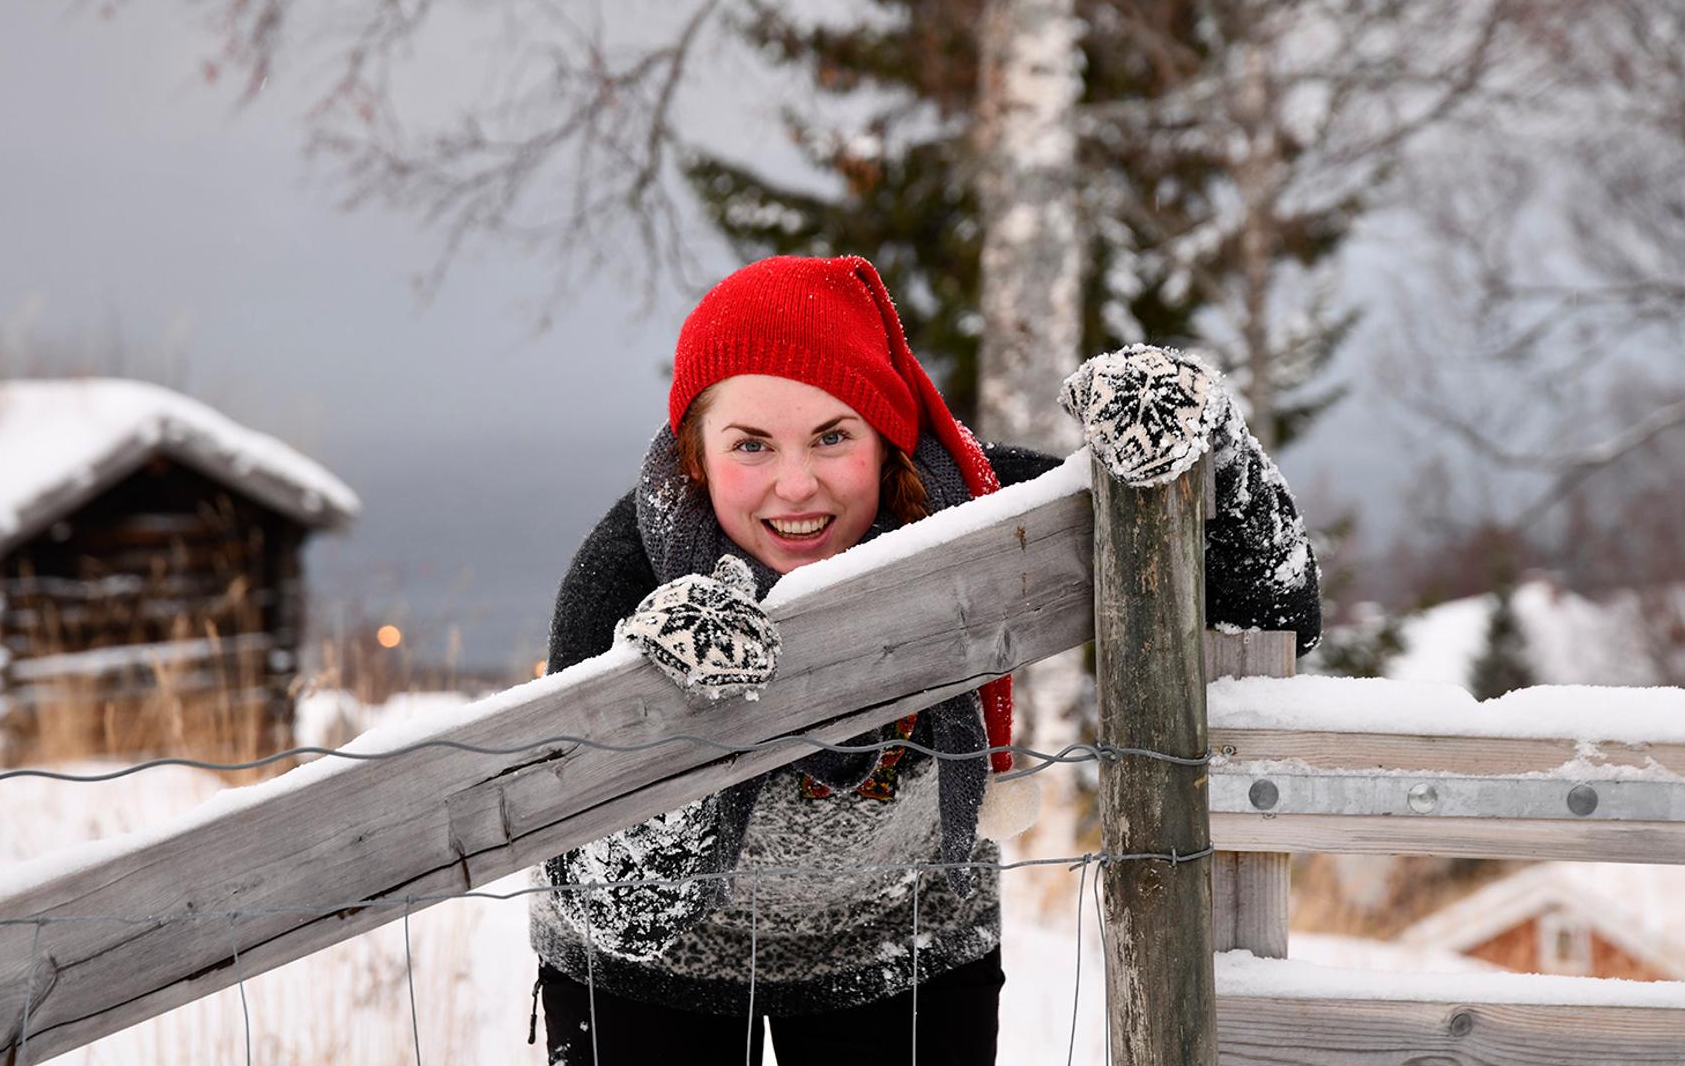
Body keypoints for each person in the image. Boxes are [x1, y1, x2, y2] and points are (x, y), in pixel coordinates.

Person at [528, 255, 1319, 1065]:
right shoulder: (621, 576)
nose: (795, 485)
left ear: (886, 438)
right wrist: (671, 715)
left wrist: (1211, 445)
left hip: (905, 940)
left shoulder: (978, 511)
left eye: (832, 437)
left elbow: (1273, 608)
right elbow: (613, 909)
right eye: (752, 445)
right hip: (649, 974)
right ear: (696, 454)